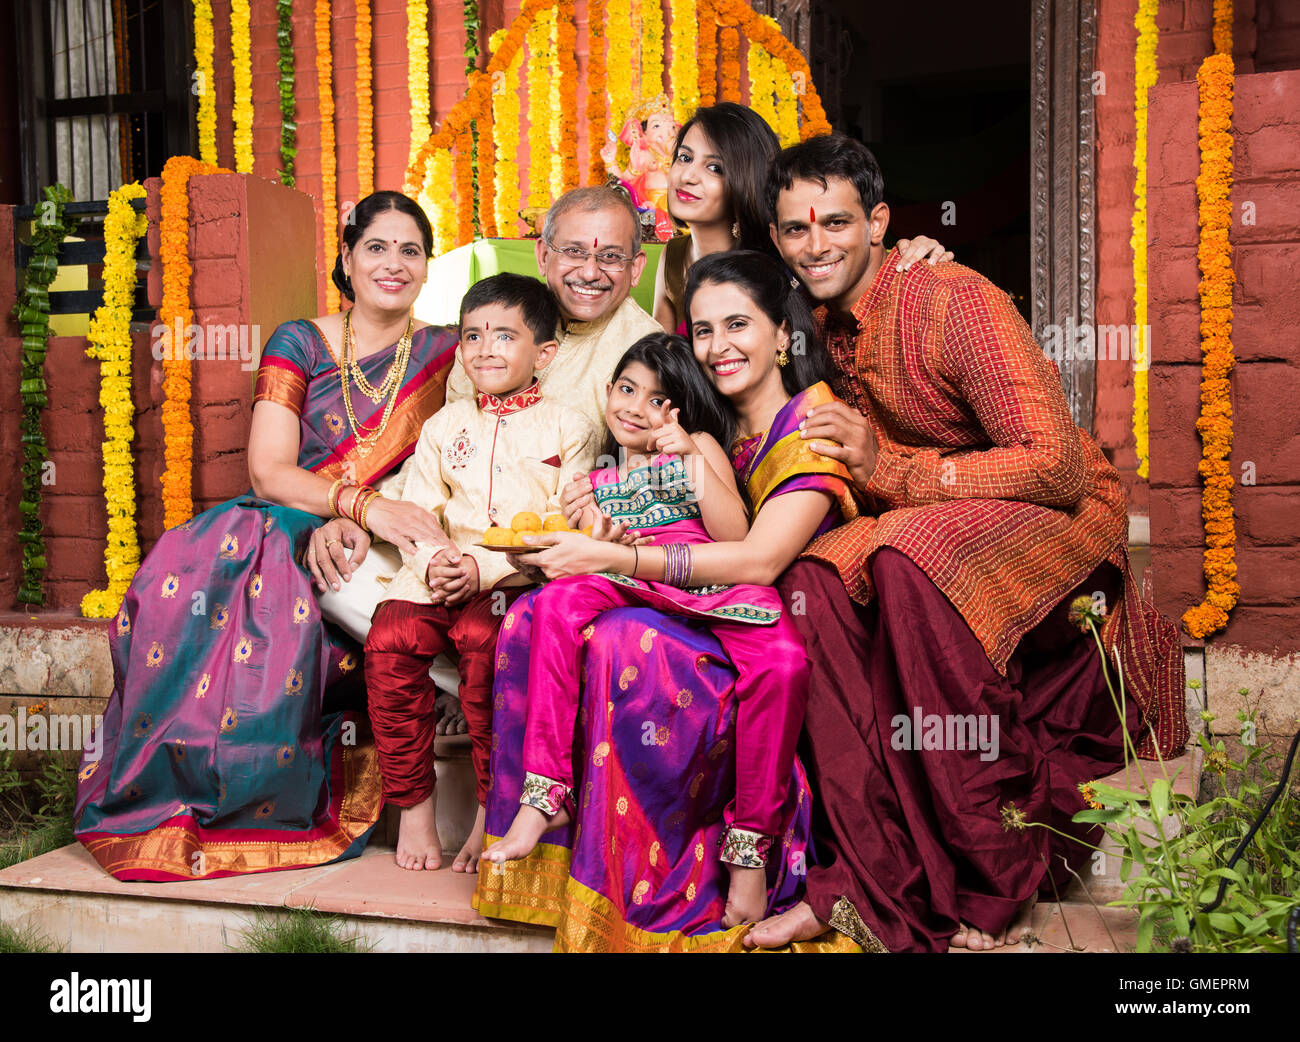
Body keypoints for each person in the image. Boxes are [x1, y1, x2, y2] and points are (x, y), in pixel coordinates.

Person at [742, 134, 1189, 952]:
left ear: (878, 222)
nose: (817, 245)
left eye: (836, 223)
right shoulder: (800, 324)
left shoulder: (954, 299)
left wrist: (892, 467)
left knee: (910, 561)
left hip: (1059, 521)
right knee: (807, 585)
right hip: (917, 524)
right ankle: (875, 881)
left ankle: (994, 869)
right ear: (776, 237)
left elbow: (1052, 464)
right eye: (797, 231)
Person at [474, 253, 861, 952]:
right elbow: (599, 542)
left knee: (782, 666)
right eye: (625, 389)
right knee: (553, 607)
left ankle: (749, 851)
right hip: (642, 580)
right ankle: (541, 796)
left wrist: (686, 455)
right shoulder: (605, 469)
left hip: (719, 589)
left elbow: (738, 536)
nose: (638, 409)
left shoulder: (706, 442)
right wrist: (584, 525)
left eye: (656, 399)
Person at [74, 191, 459, 880]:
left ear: (428, 266)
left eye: (411, 250)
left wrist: (360, 520)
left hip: (381, 534)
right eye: (376, 247)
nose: (393, 263)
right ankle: (184, 787)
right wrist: (353, 505)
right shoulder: (300, 340)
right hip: (287, 513)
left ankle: (266, 793)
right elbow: (269, 469)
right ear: (346, 258)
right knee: (199, 571)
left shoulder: (447, 353)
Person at [305, 187, 663, 872]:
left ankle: (490, 795)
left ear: (637, 267)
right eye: (574, 252)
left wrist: (497, 566)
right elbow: (433, 480)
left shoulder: (644, 351)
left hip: (558, 563)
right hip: (451, 559)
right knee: (354, 595)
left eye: (611, 256)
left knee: (488, 637)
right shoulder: (494, 333)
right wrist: (353, 513)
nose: (590, 269)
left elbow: (624, 489)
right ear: (544, 254)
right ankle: (421, 780)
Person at [362, 274, 596, 871]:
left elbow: (564, 525)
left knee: (484, 643)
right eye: (472, 335)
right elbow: (418, 509)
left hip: (514, 578)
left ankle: (491, 812)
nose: (485, 348)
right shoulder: (444, 427)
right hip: (441, 568)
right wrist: (437, 560)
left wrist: (482, 567)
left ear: (544, 352)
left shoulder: (570, 428)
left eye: (504, 336)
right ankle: (414, 806)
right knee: (389, 637)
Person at [652, 102, 953, 335]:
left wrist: (913, 252)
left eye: (715, 168)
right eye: (685, 157)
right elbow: (656, 360)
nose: (688, 176)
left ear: (745, 180)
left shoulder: (791, 260)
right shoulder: (674, 256)